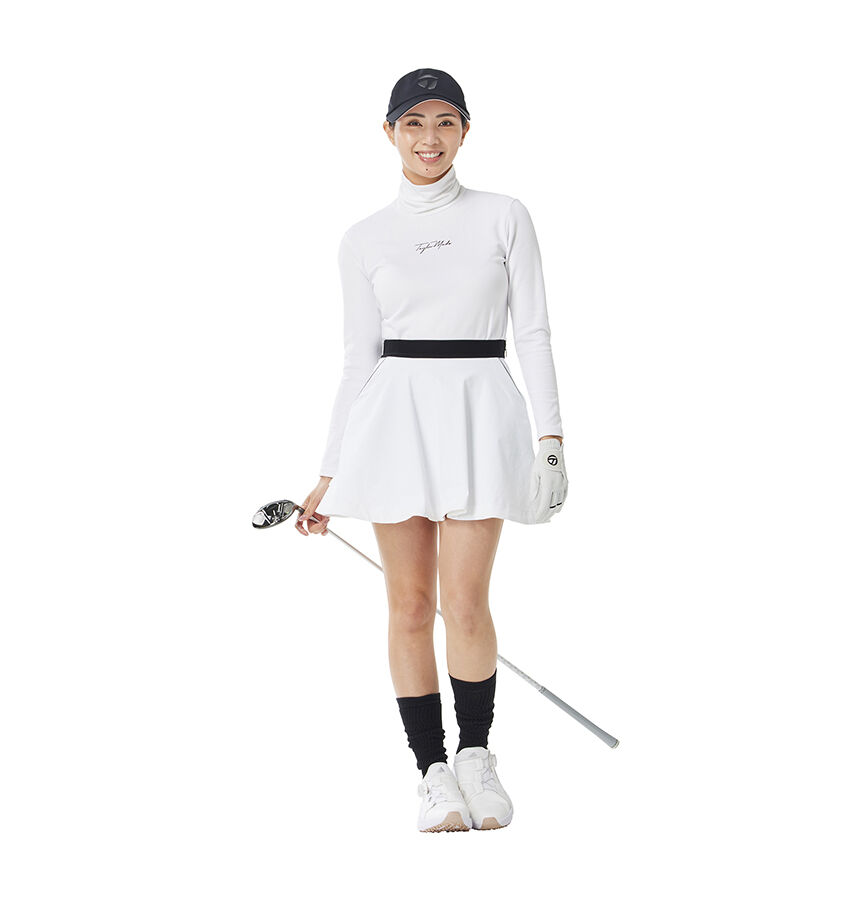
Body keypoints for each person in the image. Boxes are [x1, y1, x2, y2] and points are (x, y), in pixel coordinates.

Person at [295, 69, 568, 832]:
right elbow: (358, 358)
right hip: (394, 422)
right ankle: (432, 771)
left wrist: (551, 438)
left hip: (481, 413)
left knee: (466, 602)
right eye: (413, 122)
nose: (429, 138)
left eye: (445, 121)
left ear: (465, 131)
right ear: (389, 133)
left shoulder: (504, 215)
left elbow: (533, 332)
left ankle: (476, 755)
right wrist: (329, 471)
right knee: (411, 606)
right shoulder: (363, 238)